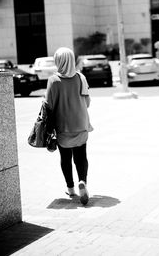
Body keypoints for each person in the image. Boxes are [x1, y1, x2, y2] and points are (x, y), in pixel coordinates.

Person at [45, 47, 93, 205]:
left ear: (58, 61)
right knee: (81, 156)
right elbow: (87, 103)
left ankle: (71, 188)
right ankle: (83, 182)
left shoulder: (53, 80)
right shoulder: (81, 77)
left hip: (62, 127)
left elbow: (49, 106)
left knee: (65, 158)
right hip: (81, 124)